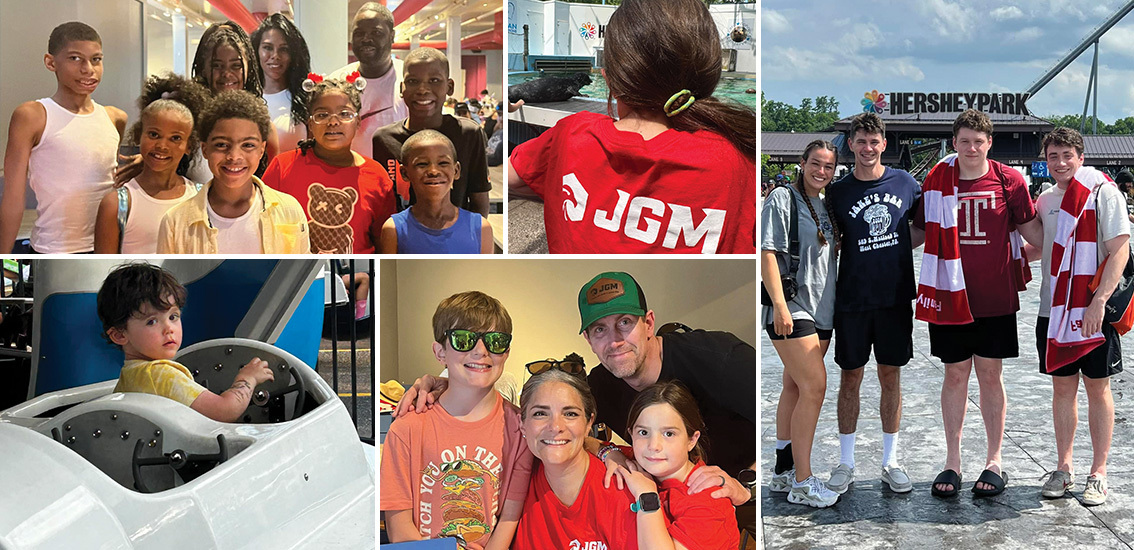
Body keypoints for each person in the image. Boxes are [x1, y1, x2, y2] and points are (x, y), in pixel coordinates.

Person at [395, 271, 757, 533]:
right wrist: (442, 382)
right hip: (663, 506)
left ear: (649, 323)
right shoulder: (600, 383)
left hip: (742, 496)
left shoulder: (718, 358)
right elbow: (555, 420)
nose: (614, 340)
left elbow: (780, 411)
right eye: (600, 329)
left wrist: (749, 486)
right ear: (587, 337)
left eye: (625, 322)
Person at [508, 0, 756, 254]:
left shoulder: (571, 134)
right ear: (710, 78)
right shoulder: (737, 162)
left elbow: (511, 179)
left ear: (610, 81)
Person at [911, 109, 1044, 498]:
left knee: (989, 375)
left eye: (979, 141)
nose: (971, 148)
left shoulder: (1009, 179)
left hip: (994, 297)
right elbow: (920, 230)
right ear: (954, 142)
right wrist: (878, 249)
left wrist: (1067, 243)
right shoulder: (937, 178)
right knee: (954, 375)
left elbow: (1033, 230)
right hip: (950, 295)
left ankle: (994, 459)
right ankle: (952, 460)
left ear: (990, 143)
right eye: (965, 141)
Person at [381, 291, 531, 549]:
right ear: (440, 352)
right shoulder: (406, 428)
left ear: (506, 352)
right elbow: (399, 526)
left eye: (495, 341)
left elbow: (509, 517)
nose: (481, 351)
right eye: (464, 340)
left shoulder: (520, 429)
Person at [1031, 127, 1130, 506]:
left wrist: (1099, 301)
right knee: (1062, 388)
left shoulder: (1103, 193)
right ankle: (1064, 467)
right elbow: (1044, 248)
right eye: (1053, 156)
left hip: (1092, 309)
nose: (1060, 163)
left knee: (1097, 387)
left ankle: (1099, 472)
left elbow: (1119, 249)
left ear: (1080, 156)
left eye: (1066, 155)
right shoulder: (1044, 199)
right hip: (1053, 308)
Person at [824, 112, 921, 495]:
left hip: (894, 297)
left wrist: (893, 244)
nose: (867, 148)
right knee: (850, 377)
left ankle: (890, 461)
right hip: (852, 299)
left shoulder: (906, 183)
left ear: (884, 144)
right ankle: (846, 462)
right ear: (851, 144)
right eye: (860, 141)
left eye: (874, 142)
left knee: (890, 377)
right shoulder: (838, 191)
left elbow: (924, 227)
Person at [0, 22, 128, 254]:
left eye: (96, 59)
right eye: (75, 59)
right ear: (51, 62)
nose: (88, 69)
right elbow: (13, 199)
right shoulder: (33, 116)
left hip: (107, 248)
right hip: (53, 249)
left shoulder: (115, 118)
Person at [762, 140, 840, 507]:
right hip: (793, 307)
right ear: (802, 163)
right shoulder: (782, 198)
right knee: (815, 387)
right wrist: (778, 304)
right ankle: (804, 482)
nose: (821, 171)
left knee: (794, 385)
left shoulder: (826, 205)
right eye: (816, 164)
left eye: (828, 166)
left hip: (823, 310)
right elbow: (768, 252)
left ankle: (783, 470)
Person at [96, 263, 275, 423]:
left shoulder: (131, 376)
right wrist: (247, 378)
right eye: (152, 321)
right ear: (119, 335)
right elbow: (224, 411)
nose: (169, 329)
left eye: (173, 317)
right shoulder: (159, 375)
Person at [157, 90, 309, 254]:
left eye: (248, 145)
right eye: (221, 145)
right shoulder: (175, 221)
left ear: (261, 150)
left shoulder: (289, 209)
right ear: (205, 149)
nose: (234, 156)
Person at [262, 75, 395, 254]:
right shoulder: (283, 167)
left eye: (344, 114)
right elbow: (262, 228)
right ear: (310, 123)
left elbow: (384, 242)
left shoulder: (376, 175)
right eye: (322, 115)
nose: (333, 121)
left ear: (357, 122)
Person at [513, 369, 639, 550]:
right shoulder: (513, 483)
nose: (556, 426)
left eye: (570, 414)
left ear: (589, 423)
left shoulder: (626, 484)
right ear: (522, 424)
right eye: (540, 413)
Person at [610, 381, 740, 549]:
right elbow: (588, 442)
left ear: (692, 440)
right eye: (643, 433)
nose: (654, 445)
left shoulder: (708, 499)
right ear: (631, 435)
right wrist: (608, 453)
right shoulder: (641, 461)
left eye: (669, 433)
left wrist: (647, 496)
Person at [93, 73, 209, 254]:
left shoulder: (203, 198)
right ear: (139, 134)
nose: (162, 146)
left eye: (175, 138)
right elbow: (103, 268)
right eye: (154, 135)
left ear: (189, 146)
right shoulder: (116, 204)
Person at [373, 47, 491, 217]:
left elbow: (480, 200)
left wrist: (474, 238)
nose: (423, 89)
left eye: (434, 80)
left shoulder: (468, 133)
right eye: (413, 81)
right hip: (399, 238)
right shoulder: (384, 139)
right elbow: (382, 202)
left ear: (449, 87)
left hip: (455, 238)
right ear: (401, 88)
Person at [379, 130, 492, 254]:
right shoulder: (393, 229)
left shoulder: (480, 227)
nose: (433, 171)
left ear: (456, 170)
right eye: (422, 164)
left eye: (443, 163)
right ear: (405, 173)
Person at [329, 2, 407, 160]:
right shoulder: (335, 83)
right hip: (347, 178)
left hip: (398, 179)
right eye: (359, 33)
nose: (366, 39)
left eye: (376, 33)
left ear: (392, 36)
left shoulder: (409, 80)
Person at [251, 13, 311, 153]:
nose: (275, 56)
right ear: (256, 50)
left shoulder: (307, 99)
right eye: (267, 47)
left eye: (284, 49)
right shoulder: (245, 98)